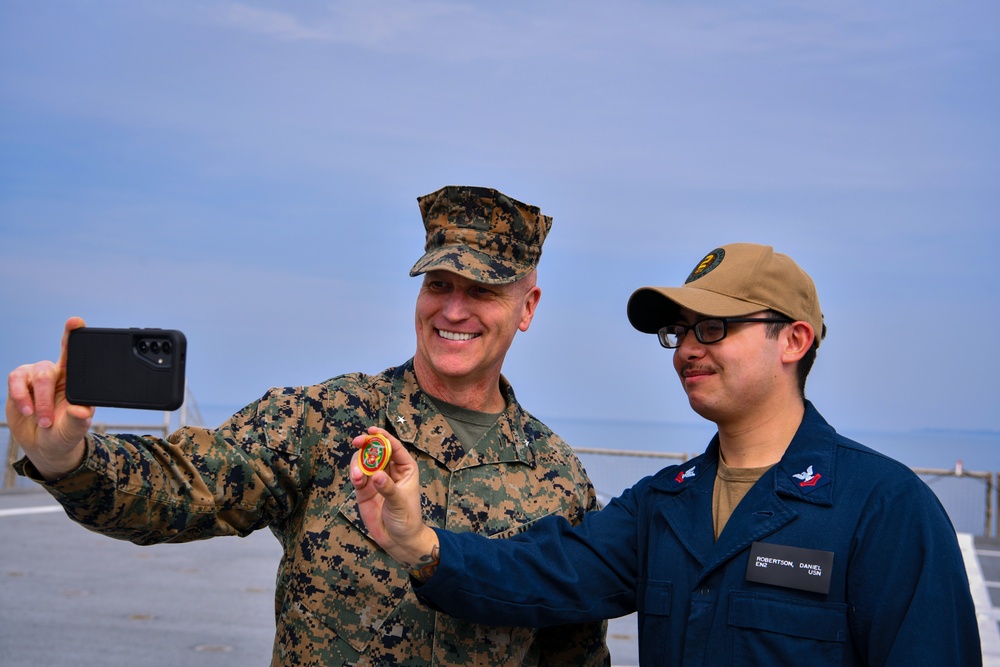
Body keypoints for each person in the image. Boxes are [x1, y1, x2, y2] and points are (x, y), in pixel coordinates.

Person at [6, 185, 610, 666]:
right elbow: (182, 488)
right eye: (439, 284)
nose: (453, 309)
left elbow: (576, 651)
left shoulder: (557, 479)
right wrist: (68, 458)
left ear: (526, 308)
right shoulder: (325, 419)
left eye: (482, 290)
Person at [352, 242, 982, 666]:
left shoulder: (885, 509)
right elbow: (543, 574)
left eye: (714, 328)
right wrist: (417, 544)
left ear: (793, 339)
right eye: (678, 332)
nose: (686, 350)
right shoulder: (665, 505)